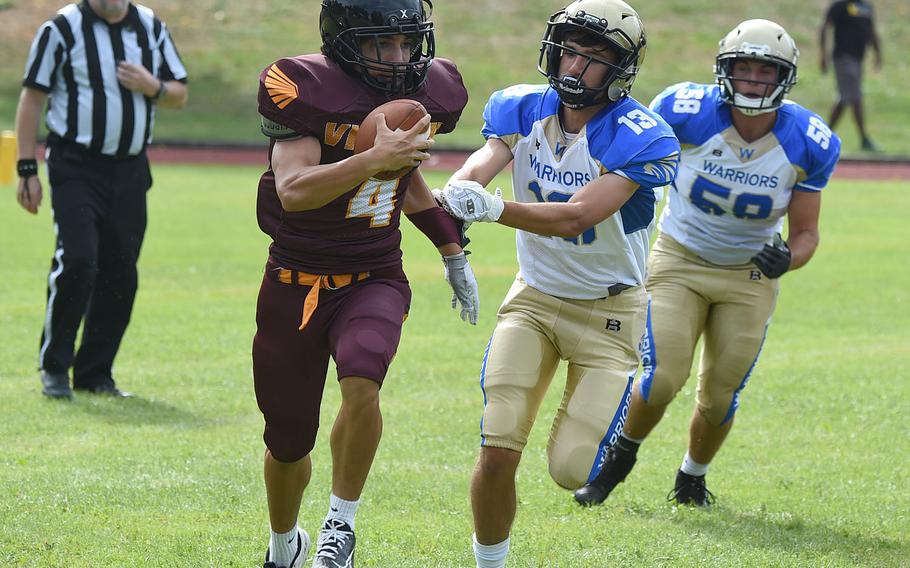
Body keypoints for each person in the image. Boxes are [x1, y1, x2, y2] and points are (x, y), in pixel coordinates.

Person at [437, 1, 679, 566]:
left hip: (611, 313)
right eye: (570, 49)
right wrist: (462, 190)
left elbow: (575, 216)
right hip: (535, 300)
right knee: (498, 446)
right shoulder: (522, 107)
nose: (576, 65)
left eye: (594, 57)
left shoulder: (639, 134)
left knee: (569, 467)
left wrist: (492, 209)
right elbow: (481, 165)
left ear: (619, 68)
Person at [574, 19, 841, 508]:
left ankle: (692, 476)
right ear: (725, 70)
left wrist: (788, 257)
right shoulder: (684, 111)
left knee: (720, 394)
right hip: (680, 257)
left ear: (784, 77)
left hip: (749, 274)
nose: (754, 80)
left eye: (765, 70)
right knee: (661, 378)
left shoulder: (808, 139)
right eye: (744, 68)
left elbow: (805, 233)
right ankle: (619, 458)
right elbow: (630, 162)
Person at [252, 1, 476, 567]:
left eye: (407, 42)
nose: (399, 57)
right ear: (346, 40)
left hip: (374, 276)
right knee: (287, 438)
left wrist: (451, 249)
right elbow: (295, 189)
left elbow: (406, 180)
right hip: (295, 281)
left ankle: (338, 527)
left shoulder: (431, 89)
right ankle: (285, 546)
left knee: (362, 379)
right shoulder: (306, 87)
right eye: (383, 43)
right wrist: (375, 156)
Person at [15, 0, 188, 399]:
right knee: (77, 259)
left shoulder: (150, 26)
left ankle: (95, 373)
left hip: (129, 169)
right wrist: (27, 168)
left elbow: (179, 93)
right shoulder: (62, 28)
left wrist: (153, 86)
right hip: (76, 165)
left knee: (121, 270)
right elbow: (32, 98)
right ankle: (55, 367)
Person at [820, 0, 882, 152]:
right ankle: (864, 139)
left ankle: (824, 135)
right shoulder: (840, 6)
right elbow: (824, 28)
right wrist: (823, 55)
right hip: (843, 58)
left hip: (858, 59)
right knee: (855, 97)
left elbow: (871, 31)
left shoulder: (866, 7)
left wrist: (877, 52)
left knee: (845, 98)